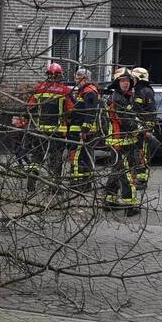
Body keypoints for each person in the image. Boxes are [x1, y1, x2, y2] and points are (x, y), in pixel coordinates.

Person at [12, 62, 73, 188]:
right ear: (60, 75)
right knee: (56, 158)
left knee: (38, 154)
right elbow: (72, 110)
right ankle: (54, 185)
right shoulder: (65, 91)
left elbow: (30, 107)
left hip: (40, 130)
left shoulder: (39, 88)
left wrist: (25, 119)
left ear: (48, 75)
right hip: (58, 131)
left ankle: (32, 174)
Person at [103, 67, 141, 215]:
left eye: (128, 81)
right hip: (119, 142)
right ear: (117, 83)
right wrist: (140, 130)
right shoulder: (117, 99)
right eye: (123, 81)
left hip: (125, 141)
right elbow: (126, 121)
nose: (126, 83)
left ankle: (109, 201)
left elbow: (132, 116)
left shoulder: (126, 96)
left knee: (116, 172)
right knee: (126, 173)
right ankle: (130, 206)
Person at [67, 67, 100, 185]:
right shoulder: (84, 91)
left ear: (84, 79)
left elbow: (91, 111)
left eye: (78, 78)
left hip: (82, 132)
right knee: (84, 157)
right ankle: (85, 182)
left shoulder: (89, 92)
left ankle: (78, 183)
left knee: (77, 157)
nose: (76, 81)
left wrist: (85, 129)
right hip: (79, 130)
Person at [131, 67, 156, 187]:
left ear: (138, 79)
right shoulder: (136, 90)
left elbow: (151, 113)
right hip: (136, 127)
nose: (132, 80)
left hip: (143, 129)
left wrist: (147, 129)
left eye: (133, 78)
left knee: (141, 154)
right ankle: (137, 177)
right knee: (136, 153)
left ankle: (142, 180)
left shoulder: (146, 91)